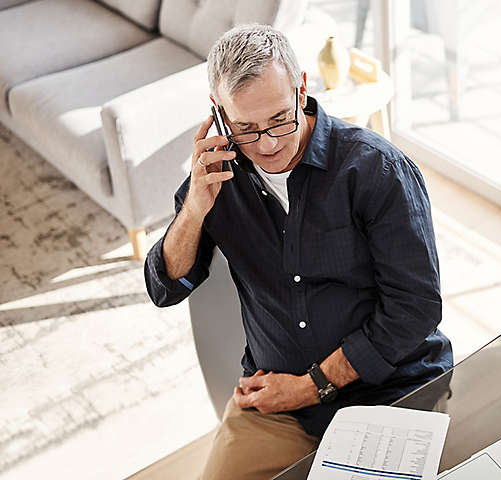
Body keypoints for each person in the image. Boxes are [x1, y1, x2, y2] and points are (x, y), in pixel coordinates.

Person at [144, 24, 452, 480]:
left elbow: (416, 309)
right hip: (275, 404)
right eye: (245, 128)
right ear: (219, 114)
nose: (267, 144)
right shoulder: (214, 182)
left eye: (279, 119)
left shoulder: (376, 169)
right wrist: (193, 210)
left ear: (301, 88)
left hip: (390, 389)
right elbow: (164, 289)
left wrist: (312, 386)